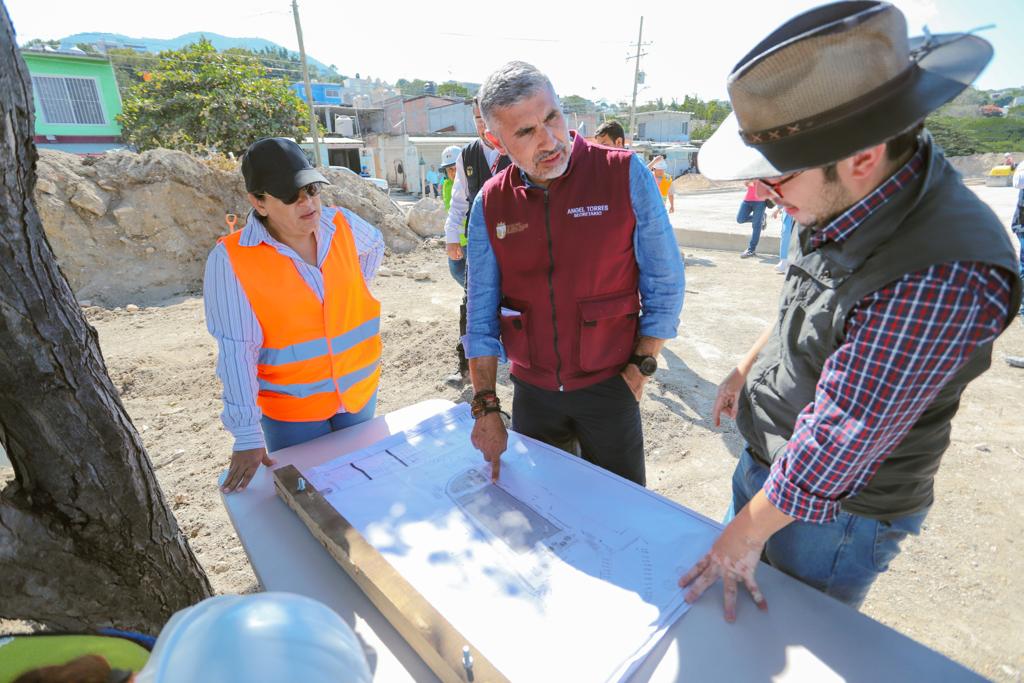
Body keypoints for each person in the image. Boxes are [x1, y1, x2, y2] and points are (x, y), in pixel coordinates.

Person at [679, 1, 1021, 622]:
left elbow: (841, 440)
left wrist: (744, 531)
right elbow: (810, 303)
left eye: (778, 181)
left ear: (862, 156)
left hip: (836, 513)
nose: (769, 198)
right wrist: (745, 367)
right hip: (776, 468)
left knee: (781, 635)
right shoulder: (845, 190)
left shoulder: (942, 270)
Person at [463, 61, 685, 486]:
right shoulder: (491, 203)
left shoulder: (623, 173)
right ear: (495, 141)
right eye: (525, 132)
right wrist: (486, 406)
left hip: (611, 388)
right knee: (544, 505)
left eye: (552, 117)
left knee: (619, 507)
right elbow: (480, 314)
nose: (549, 140)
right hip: (534, 396)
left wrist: (641, 366)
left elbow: (665, 281)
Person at [204, 137, 385, 494]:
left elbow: (375, 245)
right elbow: (237, 353)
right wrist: (246, 435)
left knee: (364, 491)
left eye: (312, 189)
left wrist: (350, 288)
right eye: (290, 195)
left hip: (358, 396)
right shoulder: (231, 261)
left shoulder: (344, 226)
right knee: (314, 500)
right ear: (258, 202)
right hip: (293, 416)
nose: (308, 202)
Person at [443, 101, 511, 384]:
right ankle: (465, 367)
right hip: (479, 240)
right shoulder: (467, 154)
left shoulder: (514, 149)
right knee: (471, 301)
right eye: (477, 118)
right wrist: (451, 236)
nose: (482, 123)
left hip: (515, 238)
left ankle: (523, 364)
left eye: (486, 116)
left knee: (519, 298)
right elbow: (459, 199)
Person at [736, 181, 766, 258]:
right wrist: (747, 182)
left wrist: (756, 183)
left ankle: (751, 250)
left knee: (756, 225)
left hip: (760, 201)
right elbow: (746, 182)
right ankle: (761, 218)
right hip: (747, 199)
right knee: (740, 219)